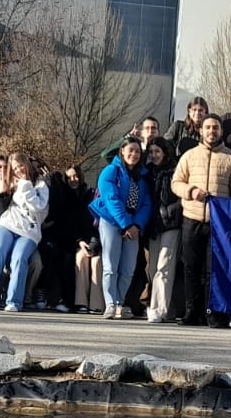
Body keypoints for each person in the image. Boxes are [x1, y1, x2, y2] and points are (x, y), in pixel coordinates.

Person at [170, 114, 231, 327]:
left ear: (221, 131)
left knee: (215, 269)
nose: (212, 131)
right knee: (191, 267)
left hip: (218, 223)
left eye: (216, 128)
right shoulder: (189, 156)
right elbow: (176, 183)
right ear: (201, 131)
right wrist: (190, 191)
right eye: (208, 128)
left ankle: (213, 313)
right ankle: (192, 312)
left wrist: (229, 217)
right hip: (191, 218)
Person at [0, 152, 50, 311]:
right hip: (7, 225)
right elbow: (3, 210)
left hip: (29, 231)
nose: (18, 170)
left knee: (19, 258)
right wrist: (3, 193)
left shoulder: (40, 185)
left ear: (27, 165)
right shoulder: (9, 182)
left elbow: (37, 207)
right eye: (15, 168)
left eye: (21, 166)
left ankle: (14, 301)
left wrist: (25, 185)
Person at [91, 138, 153, 319]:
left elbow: (146, 204)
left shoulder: (142, 175)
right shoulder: (111, 171)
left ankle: (119, 301)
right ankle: (110, 303)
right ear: (122, 152)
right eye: (130, 150)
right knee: (111, 265)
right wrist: (125, 223)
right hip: (112, 221)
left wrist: (136, 225)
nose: (134, 154)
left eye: (137, 152)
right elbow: (111, 199)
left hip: (133, 226)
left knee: (128, 268)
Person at [42, 165, 93, 312]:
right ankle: (60, 299)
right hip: (66, 237)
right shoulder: (63, 194)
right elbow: (64, 219)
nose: (73, 180)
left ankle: (74, 301)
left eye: (76, 176)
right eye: (69, 177)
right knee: (64, 260)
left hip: (82, 237)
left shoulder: (87, 193)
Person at [144, 139, 182, 323]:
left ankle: (159, 309)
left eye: (157, 151)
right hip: (153, 225)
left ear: (165, 152)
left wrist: (173, 209)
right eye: (150, 152)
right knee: (152, 269)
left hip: (171, 224)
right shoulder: (147, 172)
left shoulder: (176, 170)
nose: (153, 155)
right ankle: (160, 306)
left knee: (164, 267)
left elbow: (182, 194)